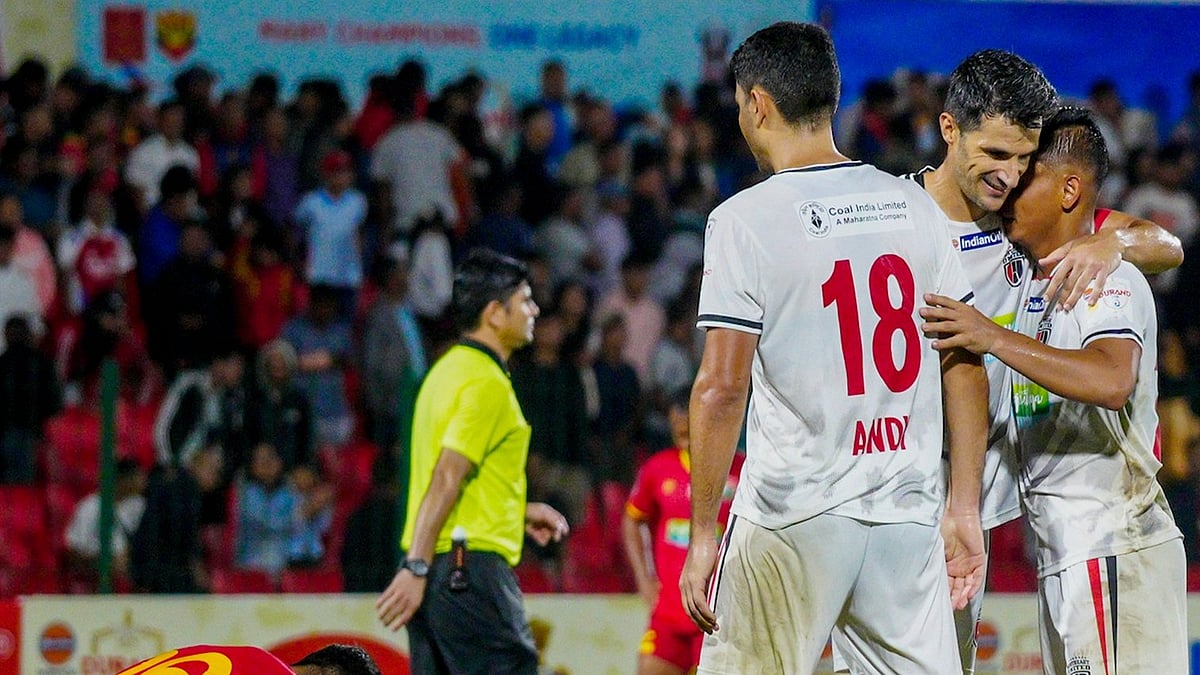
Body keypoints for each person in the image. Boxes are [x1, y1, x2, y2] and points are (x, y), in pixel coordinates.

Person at [677, 22, 989, 674]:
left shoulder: (743, 220)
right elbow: (964, 357)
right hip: (905, 514)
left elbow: (720, 386)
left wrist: (703, 532)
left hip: (795, 513)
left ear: (757, 103)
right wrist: (964, 505)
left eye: (739, 105)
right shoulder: (915, 206)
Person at [906, 50, 1183, 673]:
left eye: (1024, 170)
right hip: (1062, 549)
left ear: (1065, 189)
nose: (1006, 185)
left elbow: (1113, 378)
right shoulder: (1032, 275)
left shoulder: (1101, 274)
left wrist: (990, 336)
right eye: (1002, 160)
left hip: (1114, 545)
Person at [375, 249, 569, 674]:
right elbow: (447, 475)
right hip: (468, 571)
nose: (534, 310)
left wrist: (514, 512)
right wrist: (415, 565)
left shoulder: (441, 373)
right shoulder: (487, 383)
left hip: (439, 574)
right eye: (524, 300)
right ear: (495, 314)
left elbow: (450, 481)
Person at [623, 388, 743, 675]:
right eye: (678, 430)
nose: (683, 436)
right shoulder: (657, 469)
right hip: (669, 613)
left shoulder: (741, 469)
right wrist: (643, 578)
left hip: (721, 614)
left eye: (688, 429)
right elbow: (631, 521)